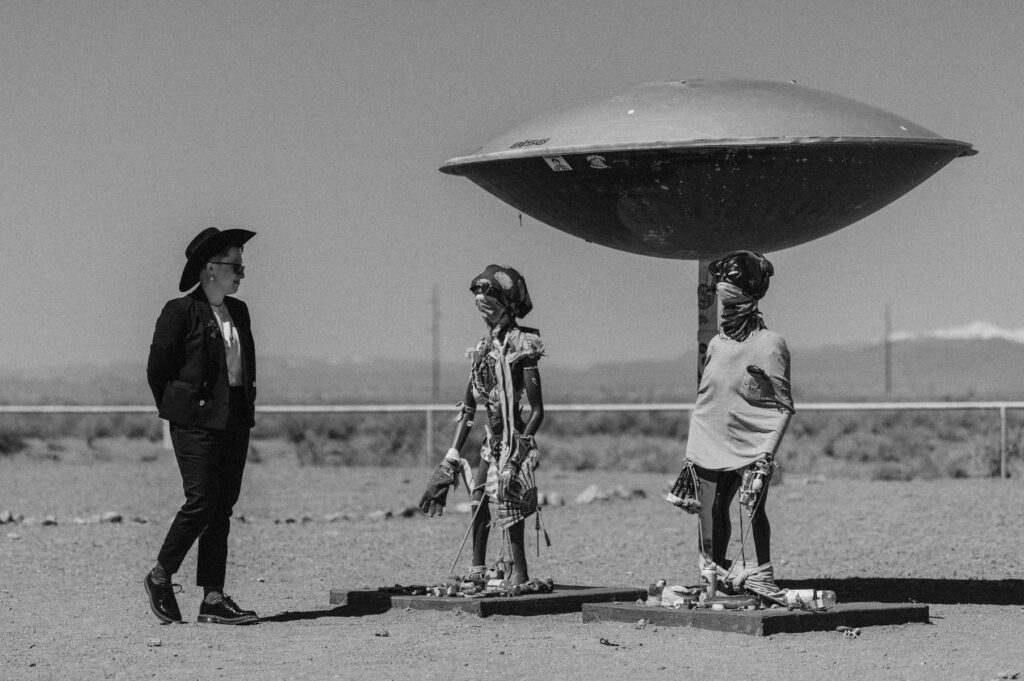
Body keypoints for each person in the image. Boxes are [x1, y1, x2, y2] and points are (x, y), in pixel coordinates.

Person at [143, 227, 259, 625]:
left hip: (234, 422)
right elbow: (157, 369)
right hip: (194, 424)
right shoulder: (180, 311)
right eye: (236, 265)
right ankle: (160, 576)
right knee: (201, 502)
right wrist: (180, 409)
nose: (242, 272)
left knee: (222, 508)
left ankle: (213, 597)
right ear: (211, 269)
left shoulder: (239, 311)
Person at [667, 250, 794, 598]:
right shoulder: (717, 346)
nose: (726, 310)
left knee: (753, 507)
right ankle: (713, 578)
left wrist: (766, 455)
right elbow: (708, 400)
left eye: (732, 301)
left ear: (749, 299)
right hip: (707, 441)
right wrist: (693, 450)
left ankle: (763, 575)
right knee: (711, 509)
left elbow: (781, 406)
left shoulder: (771, 345)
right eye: (723, 301)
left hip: (752, 444)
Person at [419, 265, 545, 587]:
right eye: (478, 296)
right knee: (477, 498)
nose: (480, 301)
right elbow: (468, 408)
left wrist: (516, 457)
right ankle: (478, 569)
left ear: (506, 303)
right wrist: (450, 457)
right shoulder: (483, 351)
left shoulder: (522, 345)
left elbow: (537, 411)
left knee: (508, 501)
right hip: (491, 442)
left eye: (488, 296)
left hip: (513, 440)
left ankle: (520, 575)